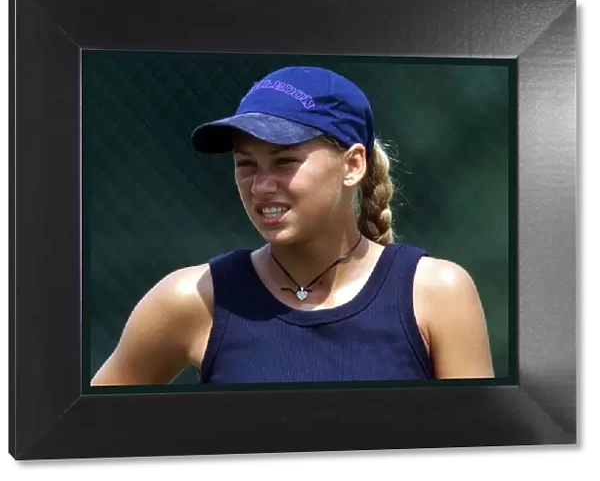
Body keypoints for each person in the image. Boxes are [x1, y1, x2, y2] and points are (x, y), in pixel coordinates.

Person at [91, 66, 495, 386]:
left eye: (285, 161)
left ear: (353, 165)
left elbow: (478, 457)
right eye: (245, 164)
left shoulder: (437, 294)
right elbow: (85, 433)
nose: (262, 185)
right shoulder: (193, 299)